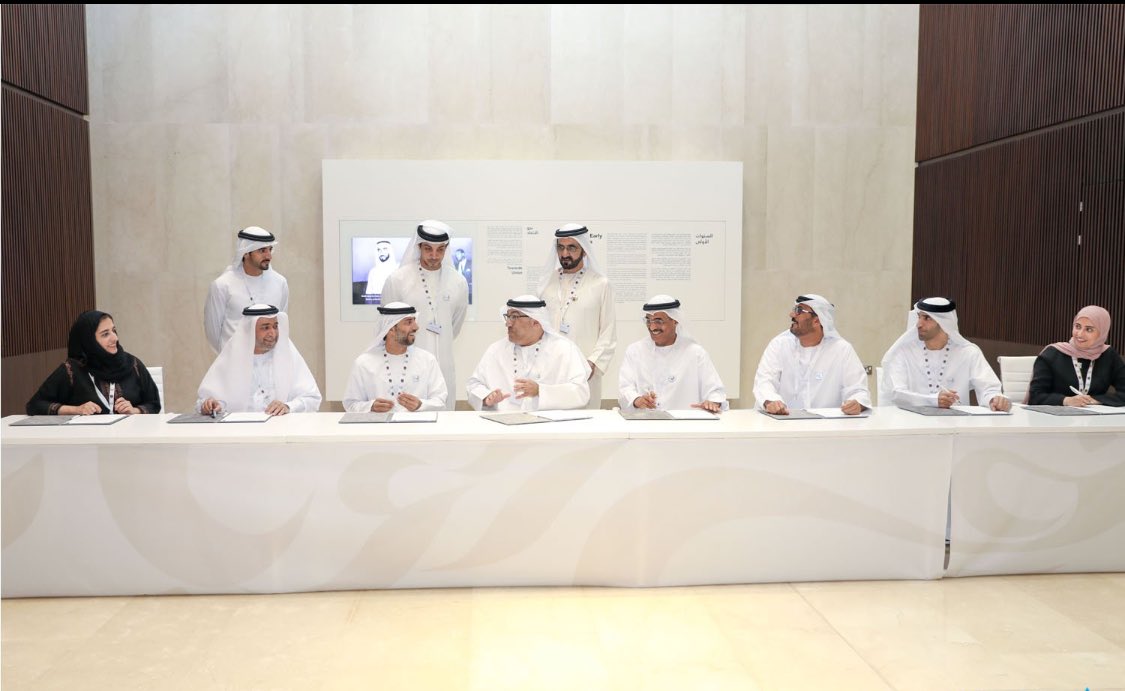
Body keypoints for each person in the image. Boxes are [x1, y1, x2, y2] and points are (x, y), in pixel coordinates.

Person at [381, 221, 469, 410]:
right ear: (419, 246)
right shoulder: (398, 280)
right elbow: (387, 325)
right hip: (406, 365)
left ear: (446, 249)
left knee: (444, 417)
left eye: (440, 250)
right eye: (428, 249)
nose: (434, 256)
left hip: (444, 365)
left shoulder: (458, 282)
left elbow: (454, 325)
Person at [880, 297, 1010, 410]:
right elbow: (897, 394)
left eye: (927, 318)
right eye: (919, 317)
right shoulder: (903, 352)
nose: (919, 324)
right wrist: (933, 400)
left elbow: (988, 388)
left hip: (956, 425)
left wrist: (994, 399)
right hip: (913, 424)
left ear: (944, 322)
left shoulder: (968, 353)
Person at [537, 223, 616, 409]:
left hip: (584, 371)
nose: (565, 254)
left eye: (572, 248)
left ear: (584, 250)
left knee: (584, 420)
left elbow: (608, 331)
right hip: (549, 369)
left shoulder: (600, 284)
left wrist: (592, 364)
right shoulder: (547, 282)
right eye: (561, 247)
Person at [467, 296, 590, 412]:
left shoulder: (563, 349)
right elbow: (474, 385)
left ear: (536, 322)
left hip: (548, 424)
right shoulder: (496, 350)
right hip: (503, 423)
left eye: (514, 317)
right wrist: (486, 397)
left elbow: (581, 393)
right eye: (508, 317)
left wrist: (540, 391)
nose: (508, 323)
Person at [753, 294, 870, 415]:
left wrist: (857, 403)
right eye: (794, 309)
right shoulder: (779, 345)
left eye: (799, 311)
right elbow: (764, 381)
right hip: (782, 422)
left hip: (827, 425)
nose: (792, 315)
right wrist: (770, 401)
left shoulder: (842, 350)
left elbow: (858, 390)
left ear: (817, 320)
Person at [27, 310, 161, 416]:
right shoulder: (72, 369)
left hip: (129, 438)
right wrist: (76, 410)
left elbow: (154, 404)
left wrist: (134, 410)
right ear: (89, 340)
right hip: (87, 440)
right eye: (105, 334)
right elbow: (35, 405)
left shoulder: (133, 364)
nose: (115, 338)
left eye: (114, 331)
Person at [197, 304, 321, 415]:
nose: (273, 333)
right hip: (240, 430)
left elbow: (312, 399)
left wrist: (288, 406)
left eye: (275, 326)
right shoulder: (231, 357)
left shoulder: (288, 354)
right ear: (249, 330)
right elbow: (207, 403)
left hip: (281, 429)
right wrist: (211, 406)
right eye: (265, 328)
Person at [618, 295, 726, 413]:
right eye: (649, 321)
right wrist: (636, 400)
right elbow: (625, 388)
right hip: (646, 422)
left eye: (658, 321)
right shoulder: (635, 351)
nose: (652, 327)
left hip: (684, 423)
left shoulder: (695, 353)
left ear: (675, 320)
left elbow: (715, 391)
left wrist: (713, 402)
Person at [343, 302, 448, 413]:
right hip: (378, 424)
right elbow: (350, 404)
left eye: (414, 321)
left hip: (417, 424)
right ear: (391, 328)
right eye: (409, 322)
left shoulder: (427, 360)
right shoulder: (364, 363)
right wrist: (370, 407)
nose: (416, 327)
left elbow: (440, 401)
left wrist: (421, 405)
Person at [204, 226, 289, 353]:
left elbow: (280, 324)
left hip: (269, 361)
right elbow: (213, 332)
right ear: (245, 253)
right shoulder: (222, 285)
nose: (269, 256)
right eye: (262, 250)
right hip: (234, 360)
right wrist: (230, 356)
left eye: (270, 249)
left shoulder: (280, 283)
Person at [1028, 305, 1125, 407]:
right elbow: (1035, 397)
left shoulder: (1108, 355)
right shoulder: (1052, 354)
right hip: (1053, 415)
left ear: (1102, 332)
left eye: (1089, 329)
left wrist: (1096, 400)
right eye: (1077, 326)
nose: (1080, 334)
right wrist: (1066, 401)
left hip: (1094, 415)